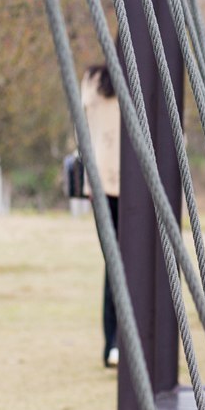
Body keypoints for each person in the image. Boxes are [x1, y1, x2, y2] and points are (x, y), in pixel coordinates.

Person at [80, 63, 123, 368]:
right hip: (116, 184)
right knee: (119, 264)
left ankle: (114, 343)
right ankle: (115, 341)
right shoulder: (96, 80)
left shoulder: (92, 81)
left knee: (114, 264)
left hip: (102, 183)